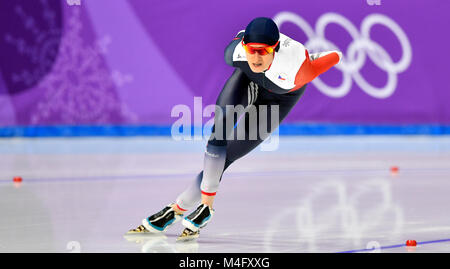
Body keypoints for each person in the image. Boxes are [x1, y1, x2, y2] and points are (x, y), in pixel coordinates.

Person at [127, 17, 342, 240]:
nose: (256, 57)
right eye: (251, 50)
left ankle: (176, 209)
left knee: (228, 156)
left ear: (275, 49)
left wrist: (311, 61)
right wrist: (207, 201)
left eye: (263, 51)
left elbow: (335, 56)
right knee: (219, 133)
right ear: (244, 47)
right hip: (247, 80)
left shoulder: (297, 69)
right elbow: (244, 41)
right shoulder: (235, 53)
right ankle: (201, 209)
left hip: (279, 99)